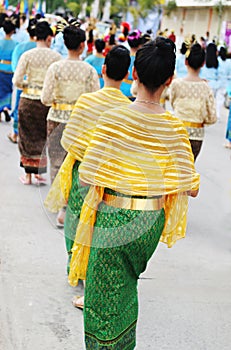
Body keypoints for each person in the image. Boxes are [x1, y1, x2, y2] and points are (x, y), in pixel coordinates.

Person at [68, 37, 200, 349]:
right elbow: (191, 187)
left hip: (113, 218)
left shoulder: (113, 120)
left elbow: (86, 176)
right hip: (150, 222)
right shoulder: (174, 128)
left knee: (101, 299)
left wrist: (119, 171)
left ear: (134, 75)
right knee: (126, 286)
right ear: (169, 80)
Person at [44, 45, 131, 281]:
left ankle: (75, 264)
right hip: (111, 176)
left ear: (103, 69)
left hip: (82, 170)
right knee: (101, 223)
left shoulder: (86, 101)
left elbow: (68, 140)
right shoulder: (128, 108)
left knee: (75, 217)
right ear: (126, 75)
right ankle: (92, 268)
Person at [41, 20, 100, 226]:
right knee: (75, 164)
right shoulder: (90, 71)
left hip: (56, 118)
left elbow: (45, 98)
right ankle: (68, 206)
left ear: (64, 44)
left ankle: (59, 202)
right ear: (83, 45)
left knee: (57, 162)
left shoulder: (55, 68)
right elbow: (94, 99)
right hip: (81, 123)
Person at [13, 20, 61, 185]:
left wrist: (28, 85)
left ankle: (27, 175)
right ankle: (39, 172)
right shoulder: (56, 57)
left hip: (28, 101)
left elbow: (17, 80)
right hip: (46, 104)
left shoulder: (27, 55)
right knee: (42, 137)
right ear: (49, 38)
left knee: (26, 136)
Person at [170, 43, 217, 161]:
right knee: (189, 169)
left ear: (186, 62)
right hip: (197, 135)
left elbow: (172, 102)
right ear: (203, 63)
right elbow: (212, 117)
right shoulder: (206, 87)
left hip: (177, 132)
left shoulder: (176, 84)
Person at [8, 18, 37, 144]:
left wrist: (20, 78)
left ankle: (15, 133)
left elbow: (15, 65)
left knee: (19, 108)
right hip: (38, 86)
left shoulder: (21, 47)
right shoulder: (45, 51)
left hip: (23, 84)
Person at [0, 16, 17, 122]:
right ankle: (6, 107)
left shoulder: (0, 42)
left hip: (0, 68)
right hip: (10, 69)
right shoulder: (16, 44)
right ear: (12, 31)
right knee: (8, 90)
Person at [120, 29, 142, 100]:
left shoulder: (123, 56)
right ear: (139, 44)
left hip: (120, 89)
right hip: (134, 92)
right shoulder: (141, 59)